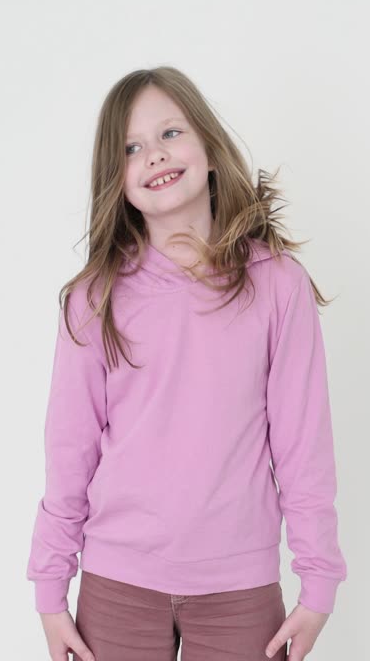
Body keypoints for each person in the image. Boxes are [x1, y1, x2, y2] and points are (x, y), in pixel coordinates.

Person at [26, 67, 347, 661]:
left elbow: (304, 446)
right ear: (115, 179)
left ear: (207, 146)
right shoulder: (94, 299)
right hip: (116, 585)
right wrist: (50, 589)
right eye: (131, 147)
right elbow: (69, 450)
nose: (154, 155)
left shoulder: (278, 285)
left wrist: (318, 582)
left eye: (170, 133)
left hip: (239, 589)